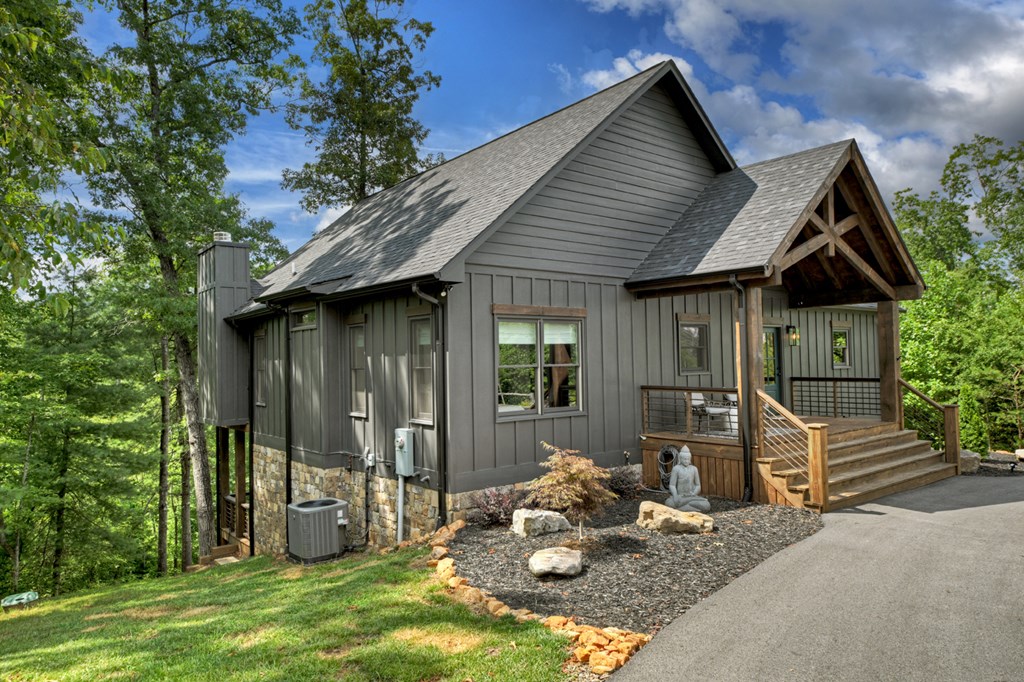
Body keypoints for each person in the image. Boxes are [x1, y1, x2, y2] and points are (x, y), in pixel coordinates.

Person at [665, 446, 711, 512]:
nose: (686, 461)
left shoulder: (694, 469)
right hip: (680, 496)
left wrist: (694, 493)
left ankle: (682, 508)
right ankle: (691, 509)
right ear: (680, 459)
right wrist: (675, 496)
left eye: (688, 459)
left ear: (690, 459)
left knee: (706, 505)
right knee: (669, 503)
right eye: (684, 459)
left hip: (691, 497)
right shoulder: (676, 469)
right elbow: (672, 485)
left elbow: (698, 485)